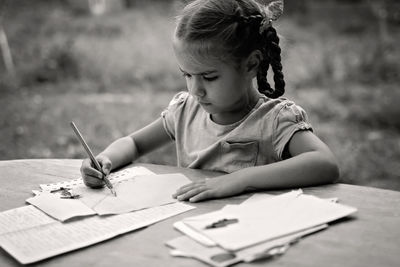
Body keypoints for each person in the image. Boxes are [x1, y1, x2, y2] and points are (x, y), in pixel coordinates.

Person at [80, 0, 339, 202]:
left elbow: (324, 163)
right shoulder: (186, 111)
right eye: (187, 75)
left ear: (251, 64)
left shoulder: (274, 119)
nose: (195, 90)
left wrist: (241, 179)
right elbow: (134, 143)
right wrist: (105, 159)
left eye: (209, 77)